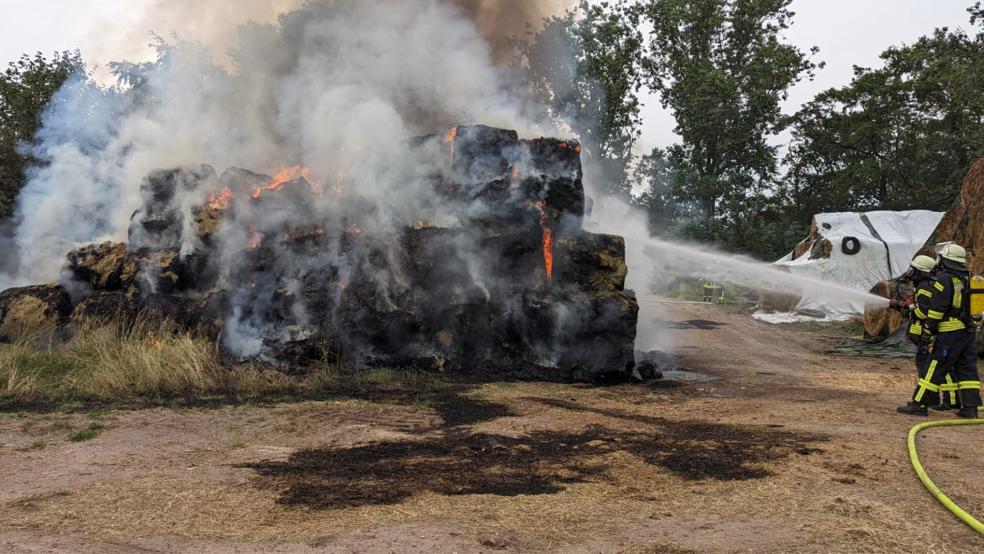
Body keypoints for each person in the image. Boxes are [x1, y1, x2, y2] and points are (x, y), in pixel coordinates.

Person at [897, 244, 981, 417]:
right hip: (968, 332)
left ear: (946, 260)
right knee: (967, 370)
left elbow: (937, 309)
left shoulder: (945, 279)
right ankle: (970, 408)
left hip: (949, 333)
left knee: (934, 367)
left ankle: (919, 404)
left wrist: (928, 329)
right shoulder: (968, 277)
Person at [891, 255, 958, 410]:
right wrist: (907, 306)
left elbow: (924, 312)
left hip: (926, 335)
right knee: (936, 368)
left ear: (921, 272)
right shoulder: (929, 285)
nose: (910, 273)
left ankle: (928, 401)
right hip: (926, 334)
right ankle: (940, 399)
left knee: (926, 368)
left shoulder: (924, 287)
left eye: (914, 270)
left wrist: (907, 308)